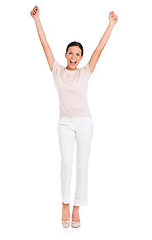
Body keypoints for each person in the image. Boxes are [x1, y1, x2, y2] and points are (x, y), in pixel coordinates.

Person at [30, 5, 118, 228]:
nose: (73, 57)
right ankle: (64, 204)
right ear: (66, 54)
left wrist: (111, 25)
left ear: (80, 58)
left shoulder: (85, 72)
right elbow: (44, 45)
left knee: (82, 164)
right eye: (70, 52)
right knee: (66, 162)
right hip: (64, 124)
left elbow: (99, 49)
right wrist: (37, 19)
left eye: (78, 54)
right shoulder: (57, 71)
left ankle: (77, 207)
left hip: (85, 122)